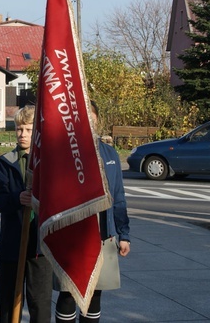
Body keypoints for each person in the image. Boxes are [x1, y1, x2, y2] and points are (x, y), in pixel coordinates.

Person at [54, 101, 131, 323]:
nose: (89, 120)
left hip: (102, 235)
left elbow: (119, 196)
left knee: (95, 294)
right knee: (68, 293)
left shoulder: (109, 153)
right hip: (72, 236)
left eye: (92, 115)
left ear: (97, 119)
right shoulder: (64, 152)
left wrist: (124, 234)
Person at [0, 105, 53, 323]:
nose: (22, 134)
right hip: (12, 243)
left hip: (40, 247)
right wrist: (17, 198)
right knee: (8, 303)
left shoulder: (50, 162)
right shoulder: (5, 162)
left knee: (40, 304)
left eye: (28, 129)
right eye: (19, 129)